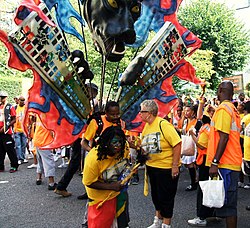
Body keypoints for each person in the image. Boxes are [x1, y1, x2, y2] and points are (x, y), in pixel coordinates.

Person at [139, 99, 181, 228]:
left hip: (166, 167)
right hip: (152, 166)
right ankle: (158, 219)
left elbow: (177, 143)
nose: (140, 113)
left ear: (150, 112)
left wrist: (174, 165)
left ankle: (166, 224)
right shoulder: (147, 126)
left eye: (142, 111)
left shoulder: (163, 124)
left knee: (166, 196)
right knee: (156, 195)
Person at [206, 81, 242, 228]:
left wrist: (215, 162)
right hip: (231, 161)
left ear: (220, 90)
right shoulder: (232, 109)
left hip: (225, 163)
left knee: (228, 206)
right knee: (229, 204)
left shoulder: (223, 109)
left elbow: (224, 137)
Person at [54, 82, 99, 198]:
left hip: (84, 135)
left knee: (77, 162)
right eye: (92, 91)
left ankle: (62, 186)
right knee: (86, 163)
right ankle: (87, 190)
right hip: (82, 137)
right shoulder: (82, 104)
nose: (93, 94)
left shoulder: (87, 103)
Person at [83, 126, 130, 228]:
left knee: (122, 224)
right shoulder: (93, 158)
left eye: (120, 142)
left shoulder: (124, 148)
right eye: (114, 142)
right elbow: (88, 182)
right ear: (106, 143)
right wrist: (112, 186)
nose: (118, 146)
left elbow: (126, 163)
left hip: (119, 195)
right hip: (100, 201)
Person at [79, 100, 123, 200]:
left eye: (117, 114)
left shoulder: (119, 123)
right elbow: (83, 142)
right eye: (113, 114)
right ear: (106, 113)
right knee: (93, 183)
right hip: (97, 159)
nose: (116, 117)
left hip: (112, 160)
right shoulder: (96, 122)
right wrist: (93, 154)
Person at [187, 97, 216, 226]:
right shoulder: (212, 127)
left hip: (204, 161)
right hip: (210, 160)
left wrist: (192, 135)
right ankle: (213, 213)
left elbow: (201, 145)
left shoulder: (205, 128)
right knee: (210, 187)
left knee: (203, 188)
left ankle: (201, 216)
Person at [33, 114, 57, 190]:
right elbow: (51, 131)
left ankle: (39, 178)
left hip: (37, 140)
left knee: (40, 160)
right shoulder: (49, 115)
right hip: (45, 142)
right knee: (48, 162)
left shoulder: (38, 114)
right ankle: (51, 183)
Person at [0, 91, 19, 173]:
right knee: (0, 150)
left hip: (7, 132)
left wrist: (6, 127)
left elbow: (14, 119)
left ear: (6, 97)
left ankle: (14, 166)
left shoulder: (9, 106)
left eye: (2, 97)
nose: (1, 99)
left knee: (10, 149)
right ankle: (1, 166)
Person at [181, 104, 199, 191]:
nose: (185, 113)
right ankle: (195, 180)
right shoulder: (185, 121)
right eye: (185, 111)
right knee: (189, 164)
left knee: (190, 163)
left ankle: (194, 183)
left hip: (194, 144)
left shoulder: (197, 122)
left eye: (188, 111)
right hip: (187, 144)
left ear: (193, 112)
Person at [14, 96, 28, 164]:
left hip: (24, 129)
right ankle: (19, 158)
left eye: (23, 100)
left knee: (23, 144)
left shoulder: (26, 108)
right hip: (17, 129)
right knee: (18, 145)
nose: (22, 102)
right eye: (21, 100)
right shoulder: (15, 108)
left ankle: (23, 157)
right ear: (18, 101)